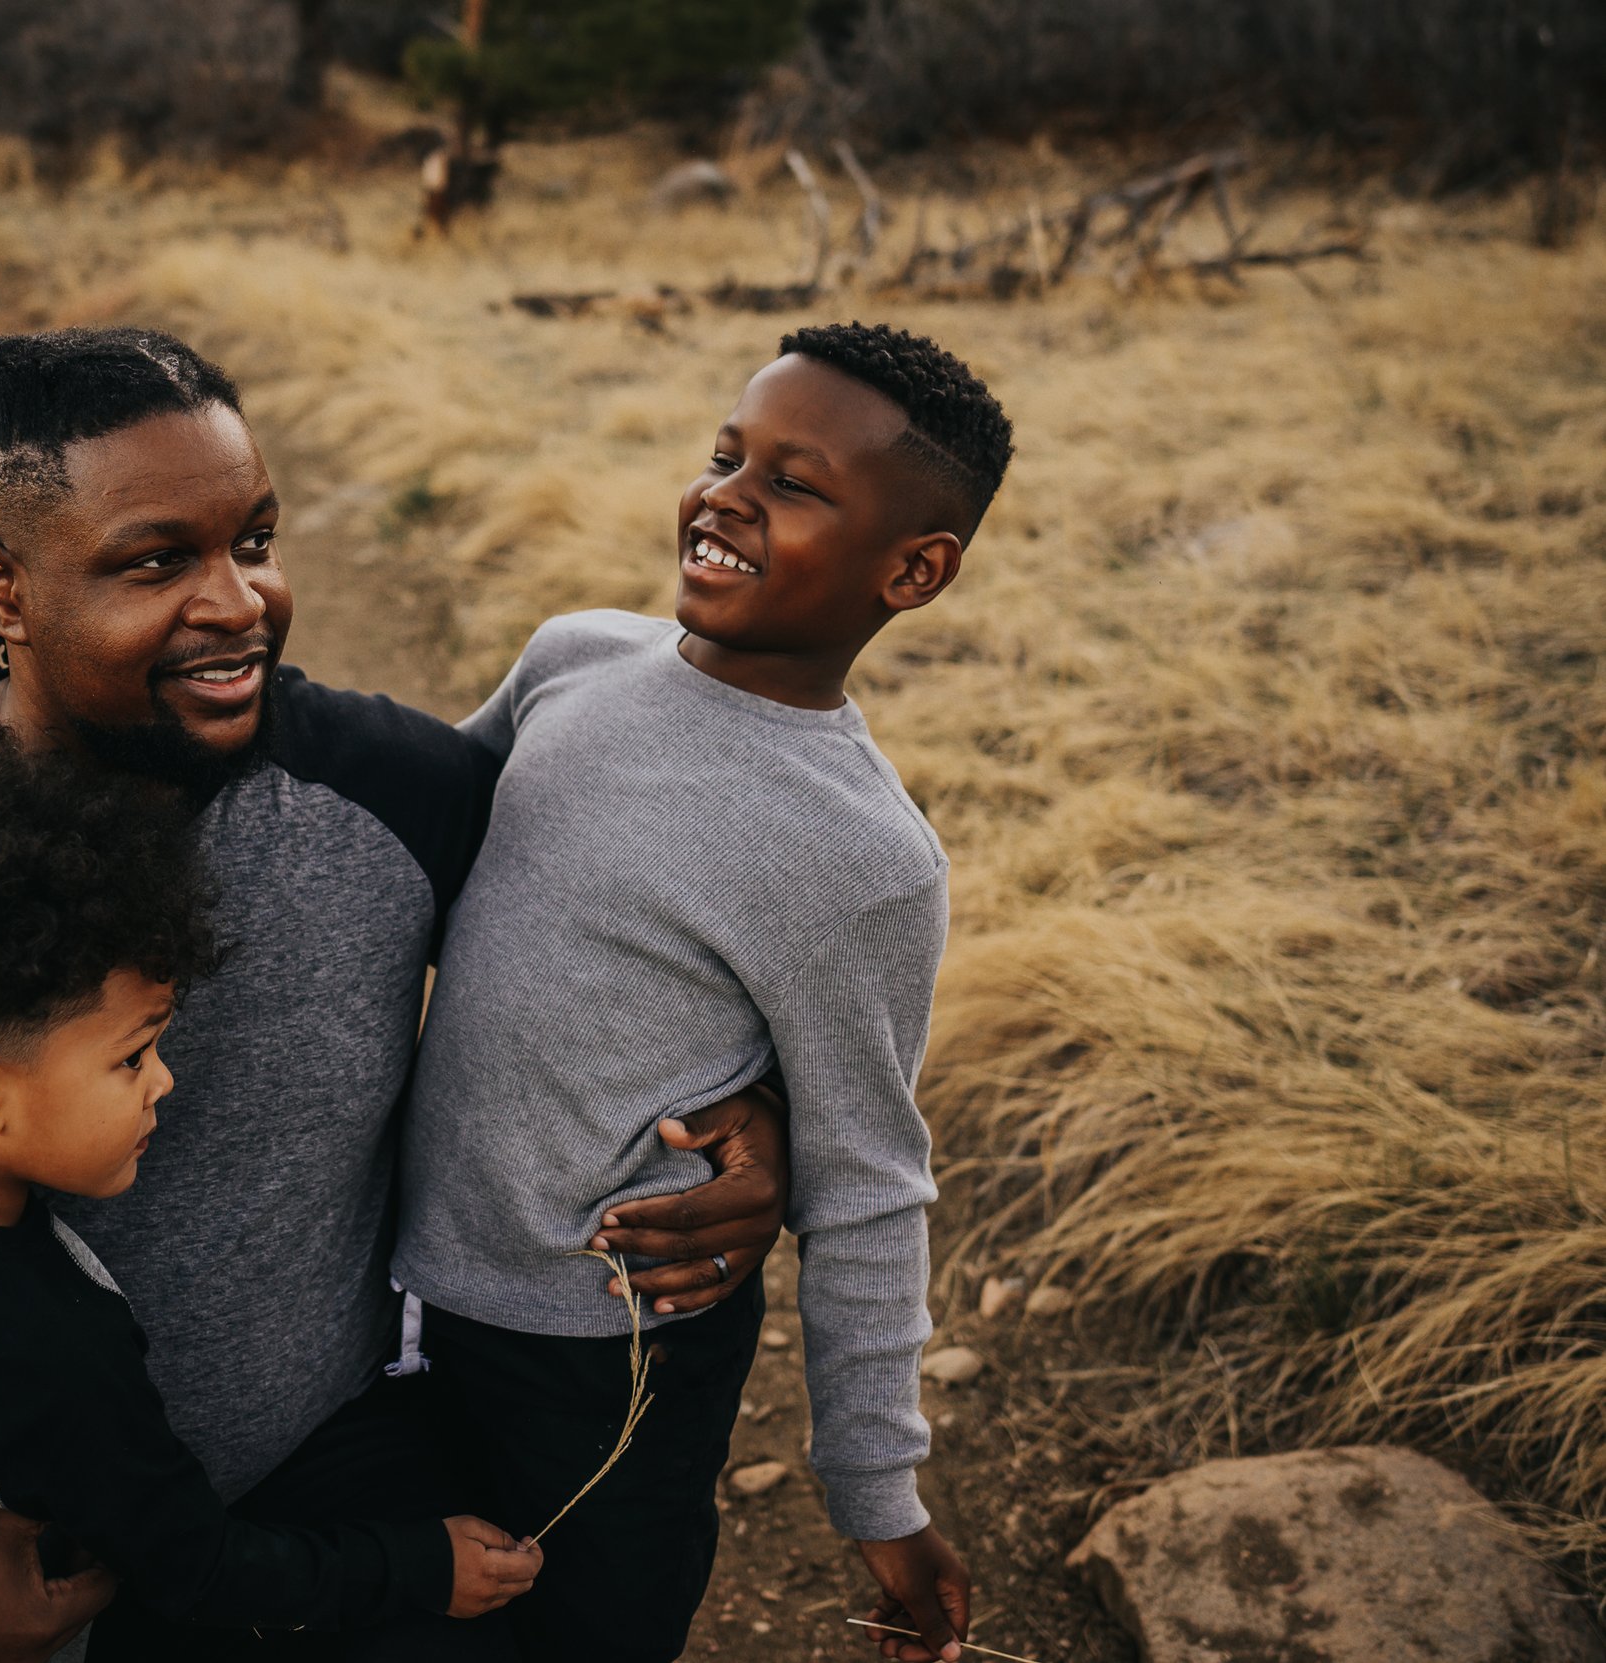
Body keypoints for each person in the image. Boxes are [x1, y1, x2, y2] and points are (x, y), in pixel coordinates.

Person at [0, 325, 790, 1663]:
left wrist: (745, 1113)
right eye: (155, 560)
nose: (241, 600)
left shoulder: (398, 797)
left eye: (254, 537)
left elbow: (636, 945)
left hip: (312, 1499)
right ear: (1, 587)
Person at [391, 322, 1016, 1663]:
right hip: (395, 1275)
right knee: (405, 1587)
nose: (727, 494)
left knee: (590, 1616)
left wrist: (876, 1490)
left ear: (913, 568)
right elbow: (412, 861)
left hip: (609, 1341)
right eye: (727, 453)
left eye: (794, 483)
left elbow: (870, 1177)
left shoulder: (861, 856)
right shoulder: (574, 657)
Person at [0, 718, 540, 1663]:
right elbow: (197, 1569)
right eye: (134, 1055)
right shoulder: (54, 1340)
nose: (165, 1083)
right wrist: (419, 1567)